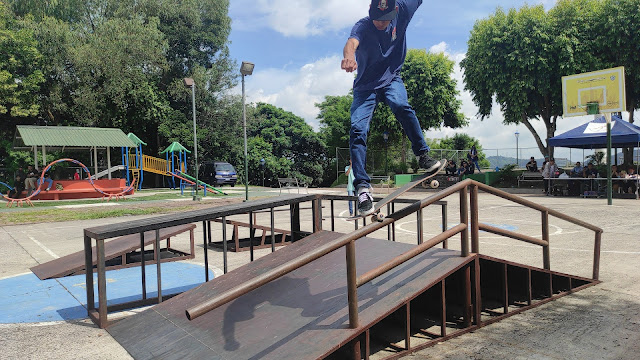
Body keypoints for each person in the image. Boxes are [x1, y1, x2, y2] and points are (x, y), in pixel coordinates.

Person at [341, 0, 440, 216]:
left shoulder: (403, 9)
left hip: (391, 78)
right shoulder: (362, 26)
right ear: (370, 12)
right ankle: (363, 189)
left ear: (394, 12)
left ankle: (423, 155)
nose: (380, 24)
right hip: (365, 87)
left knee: (401, 105)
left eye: (384, 20)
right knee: (358, 129)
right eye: (376, 18)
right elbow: (351, 43)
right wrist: (349, 57)